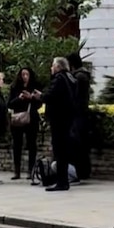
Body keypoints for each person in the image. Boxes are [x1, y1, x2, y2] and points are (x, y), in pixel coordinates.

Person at [35, 57, 77, 192]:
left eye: (52, 66)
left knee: (59, 152)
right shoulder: (71, 78)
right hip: (68, 119)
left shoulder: (59, 78)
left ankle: (62, 182)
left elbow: (51, 96)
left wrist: (40, 96)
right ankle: (62, 181)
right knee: (63, 152)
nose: (51, 68)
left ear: (58, 67)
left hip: (59, 119)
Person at [7, 67, 41, 180]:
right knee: (17, 144)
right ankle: (17, 171)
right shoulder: (15, 87)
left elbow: (39, 103)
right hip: (18, 119)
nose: (25, 77)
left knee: (32, 145)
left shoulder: (35, 86)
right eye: (23, 74)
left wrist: (31, 98)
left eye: (27, 74)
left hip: (31, 119)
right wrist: (19, 98)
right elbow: (10, 104)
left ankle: (30, 170)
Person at [67, 52, 92, 180]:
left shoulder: (78, 77)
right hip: (81, 114)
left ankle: (79, 172)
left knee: (77, 144)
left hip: (78, 115)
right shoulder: (82, 76)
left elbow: (75, 97)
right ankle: (82, 171)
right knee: (81, 145)